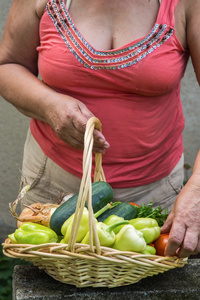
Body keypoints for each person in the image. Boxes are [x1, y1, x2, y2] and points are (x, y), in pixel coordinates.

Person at [0, 0, 199, 258]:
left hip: (154, 192)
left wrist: (196, 189)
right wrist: (49, 105)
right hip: (53, 186)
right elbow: (8, 65)